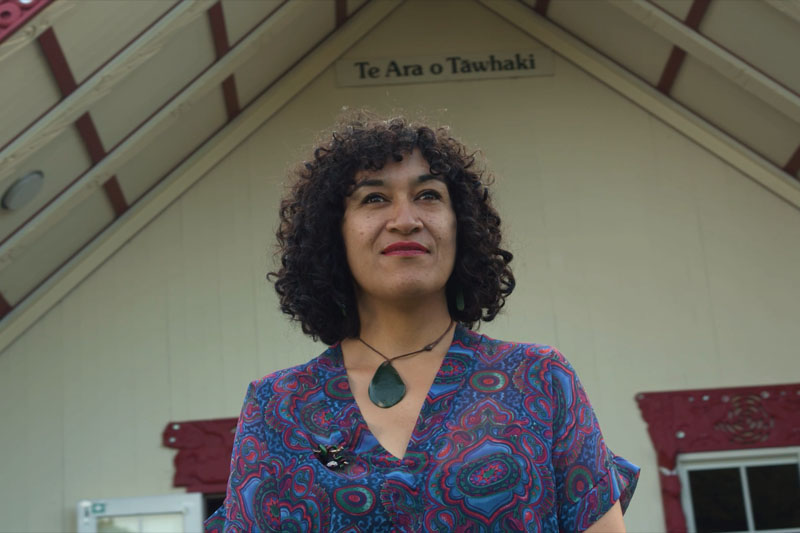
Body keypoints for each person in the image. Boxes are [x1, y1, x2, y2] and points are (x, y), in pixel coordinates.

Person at [204, 115, 639, 532]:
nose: (406, 220)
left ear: (460, 225)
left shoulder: (540, 379)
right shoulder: (278, 407)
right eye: (374, 198)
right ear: (332, 233)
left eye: (428, 195)